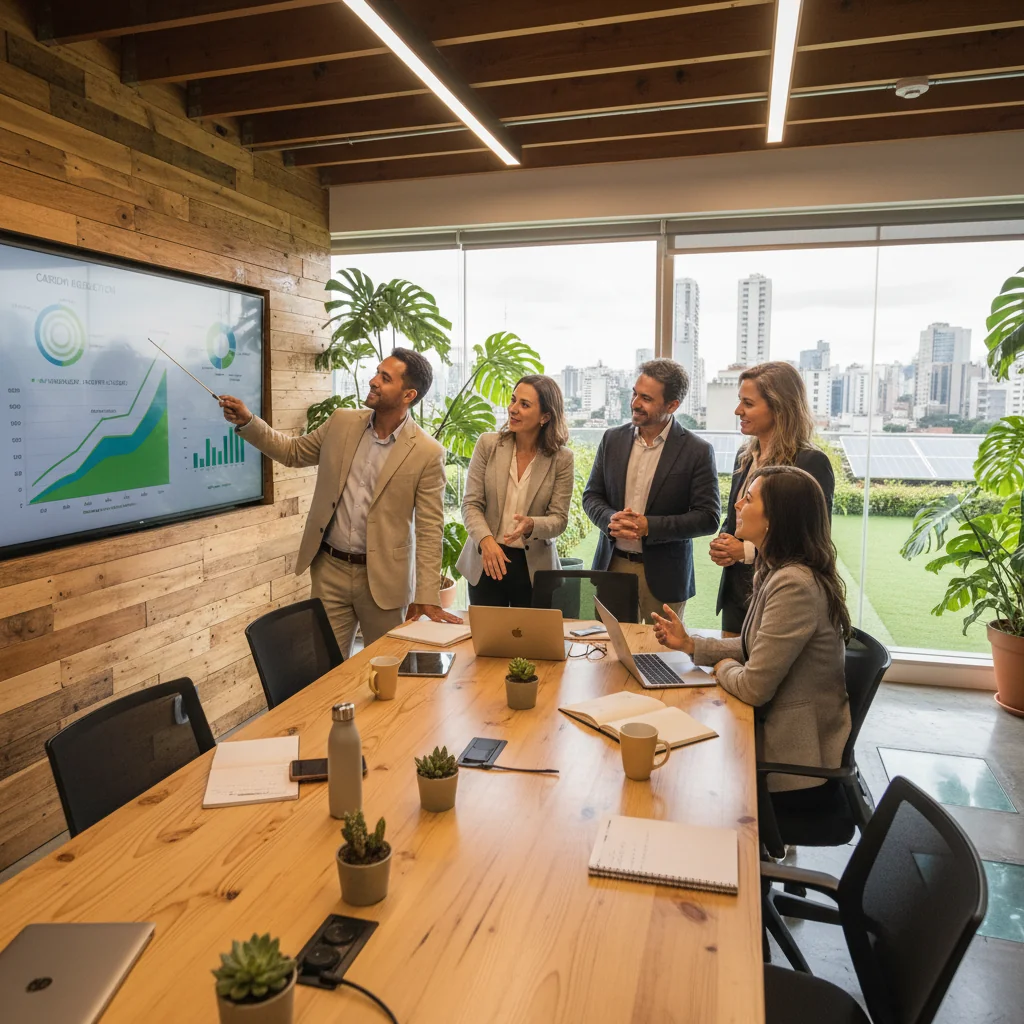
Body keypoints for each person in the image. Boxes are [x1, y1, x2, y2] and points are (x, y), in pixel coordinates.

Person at [219, 348, 461, 657]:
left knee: (387, 668)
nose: (373, 381)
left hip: (385, 581)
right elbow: (293, 452)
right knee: (326, 670)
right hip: (329, 570)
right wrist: (250, 421)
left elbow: (429, 530)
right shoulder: (341, 423)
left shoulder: (428, 453)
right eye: (376, 372)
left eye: (385, 378)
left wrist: (427, 595)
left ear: (408, 394)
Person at [653, 465, 851, 800]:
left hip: (789, 763)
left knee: (674, 778)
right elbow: (751, 648)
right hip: (767, 733)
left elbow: (754, 687)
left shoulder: (794, 585)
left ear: (774, 518)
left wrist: (721, 668)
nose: (737, 506)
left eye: (748, 499)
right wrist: (689, 645)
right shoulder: (776, 570)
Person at [582, 358, 720, 624]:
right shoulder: (612, 439)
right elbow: (591, 496)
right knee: (609, 653)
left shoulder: (697, 451)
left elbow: (708, 517)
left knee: (661, 657)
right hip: (612, 566)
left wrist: (649, 527)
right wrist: (610, 519)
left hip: (666, 576)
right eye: (635, 393)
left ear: (672, 405)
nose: (635, 403)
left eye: (646, 398)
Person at [711, 362, 835, 636]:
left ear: (779, 407)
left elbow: (811, 541)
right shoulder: (744, 457)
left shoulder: (811, 463)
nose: (738, 411)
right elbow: (734, 517)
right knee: (726, 671)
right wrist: (723, 541)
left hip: (780, 598)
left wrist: (743, 552)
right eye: (739, 401)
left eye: (748, 403)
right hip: (736, 596)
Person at [457, 375, 574, 607]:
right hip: (486, 558)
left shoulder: (562, 458)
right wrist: (486, 541)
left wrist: (532, 524)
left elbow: (559, 520)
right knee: (488, 640)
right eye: (513, 400)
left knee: (530, 642)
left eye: (524, 404)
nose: (513, 409)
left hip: (533, 569)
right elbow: (471, 504)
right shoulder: (487, 445)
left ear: (545, 416)